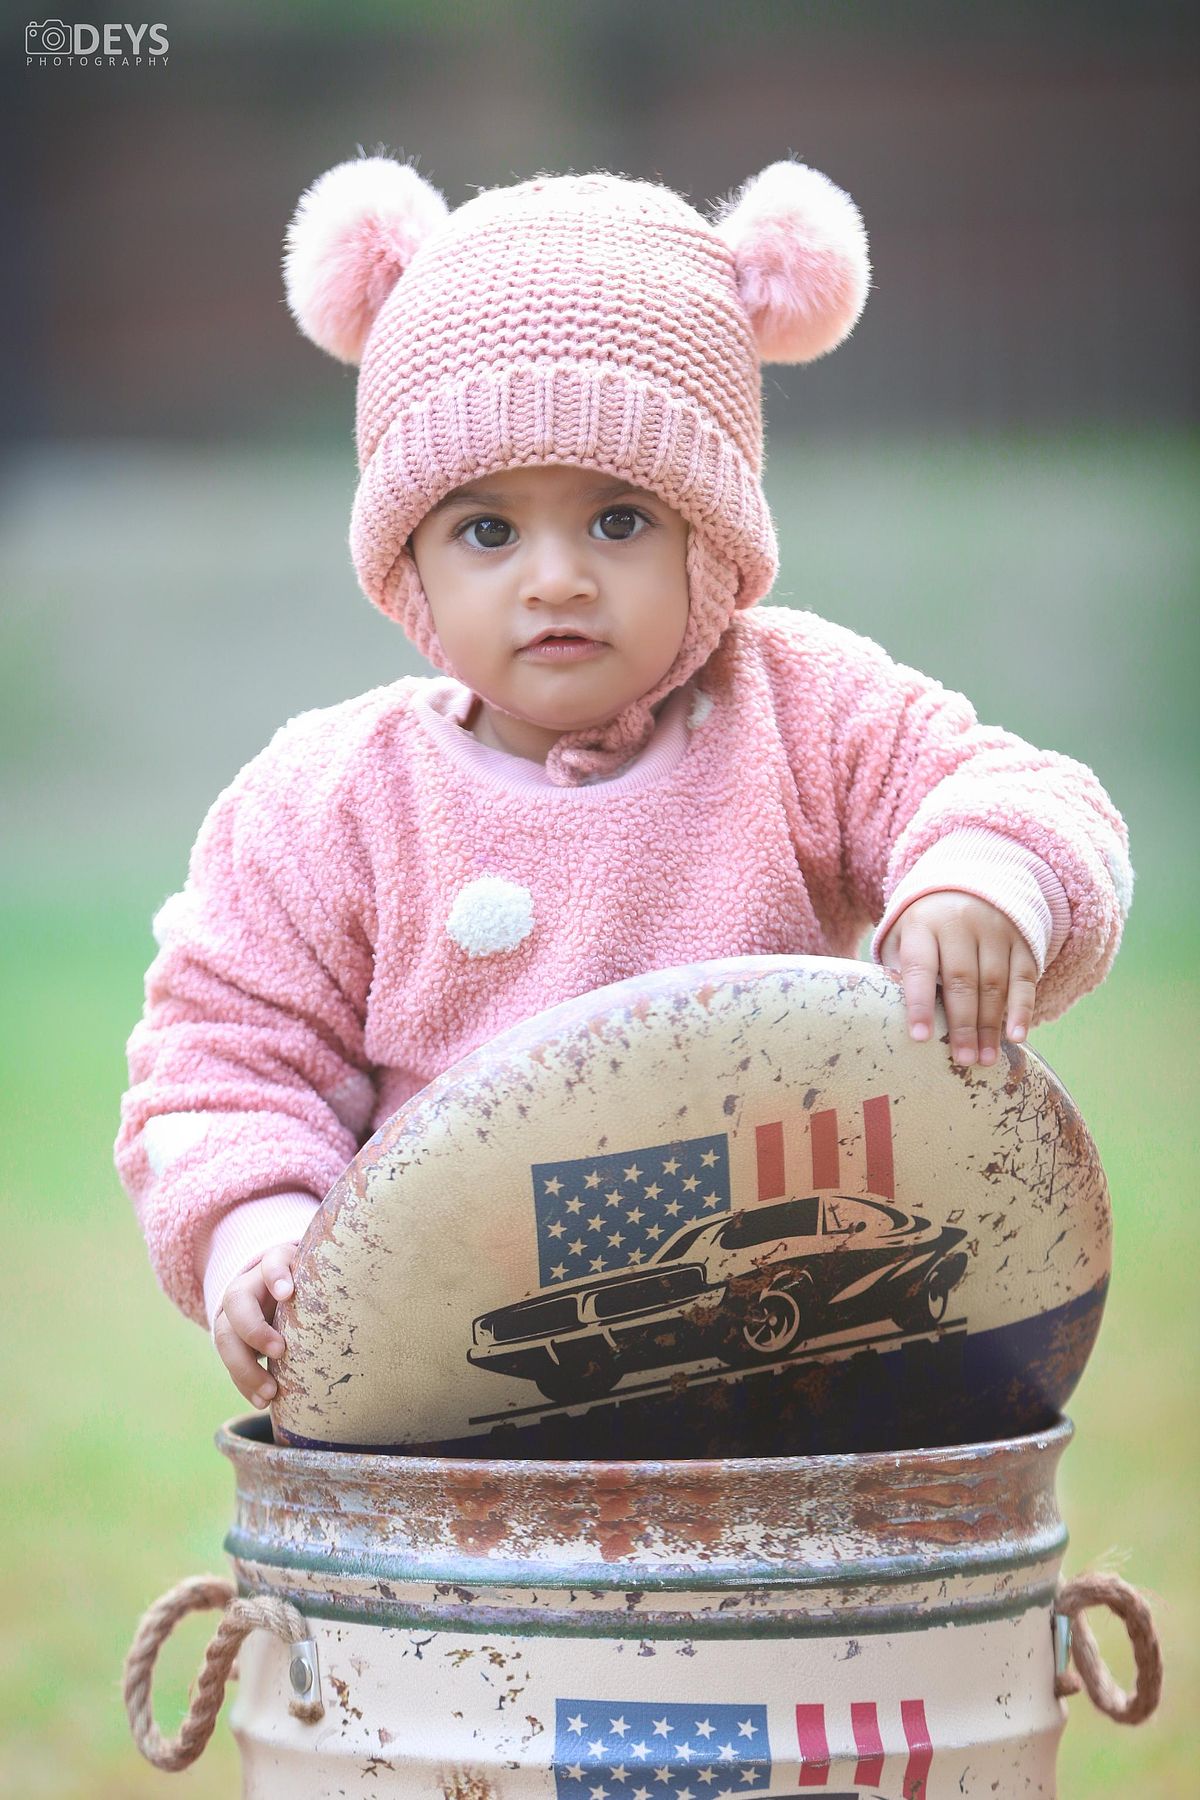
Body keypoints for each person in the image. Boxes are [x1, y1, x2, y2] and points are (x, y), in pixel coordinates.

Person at [114, 154, 1133, 1412]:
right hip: (452, 1374)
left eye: (618, 521)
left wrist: (983, 877)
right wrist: (258, 1226)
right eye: (488, 531)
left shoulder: (797, 712)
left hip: (797, 1369)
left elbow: (1011, 788)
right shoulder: (331, 802)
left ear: (712, 534)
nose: (554, 579)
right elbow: (224, 1053)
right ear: (408, 561)